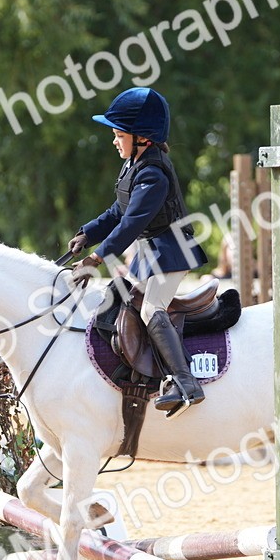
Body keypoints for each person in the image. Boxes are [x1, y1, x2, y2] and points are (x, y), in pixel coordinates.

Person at [69, 87, 209, 414]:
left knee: (151, 309)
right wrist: (87, 234)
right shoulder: (133, 165)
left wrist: (98, 257)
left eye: (119, 135)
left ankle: (185, 381)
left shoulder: (153, 174)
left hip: (171, 250)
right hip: (151, 251)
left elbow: (131, 224)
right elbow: (118, 211)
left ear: (142, 138)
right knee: (125, 300)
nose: (114, 141)